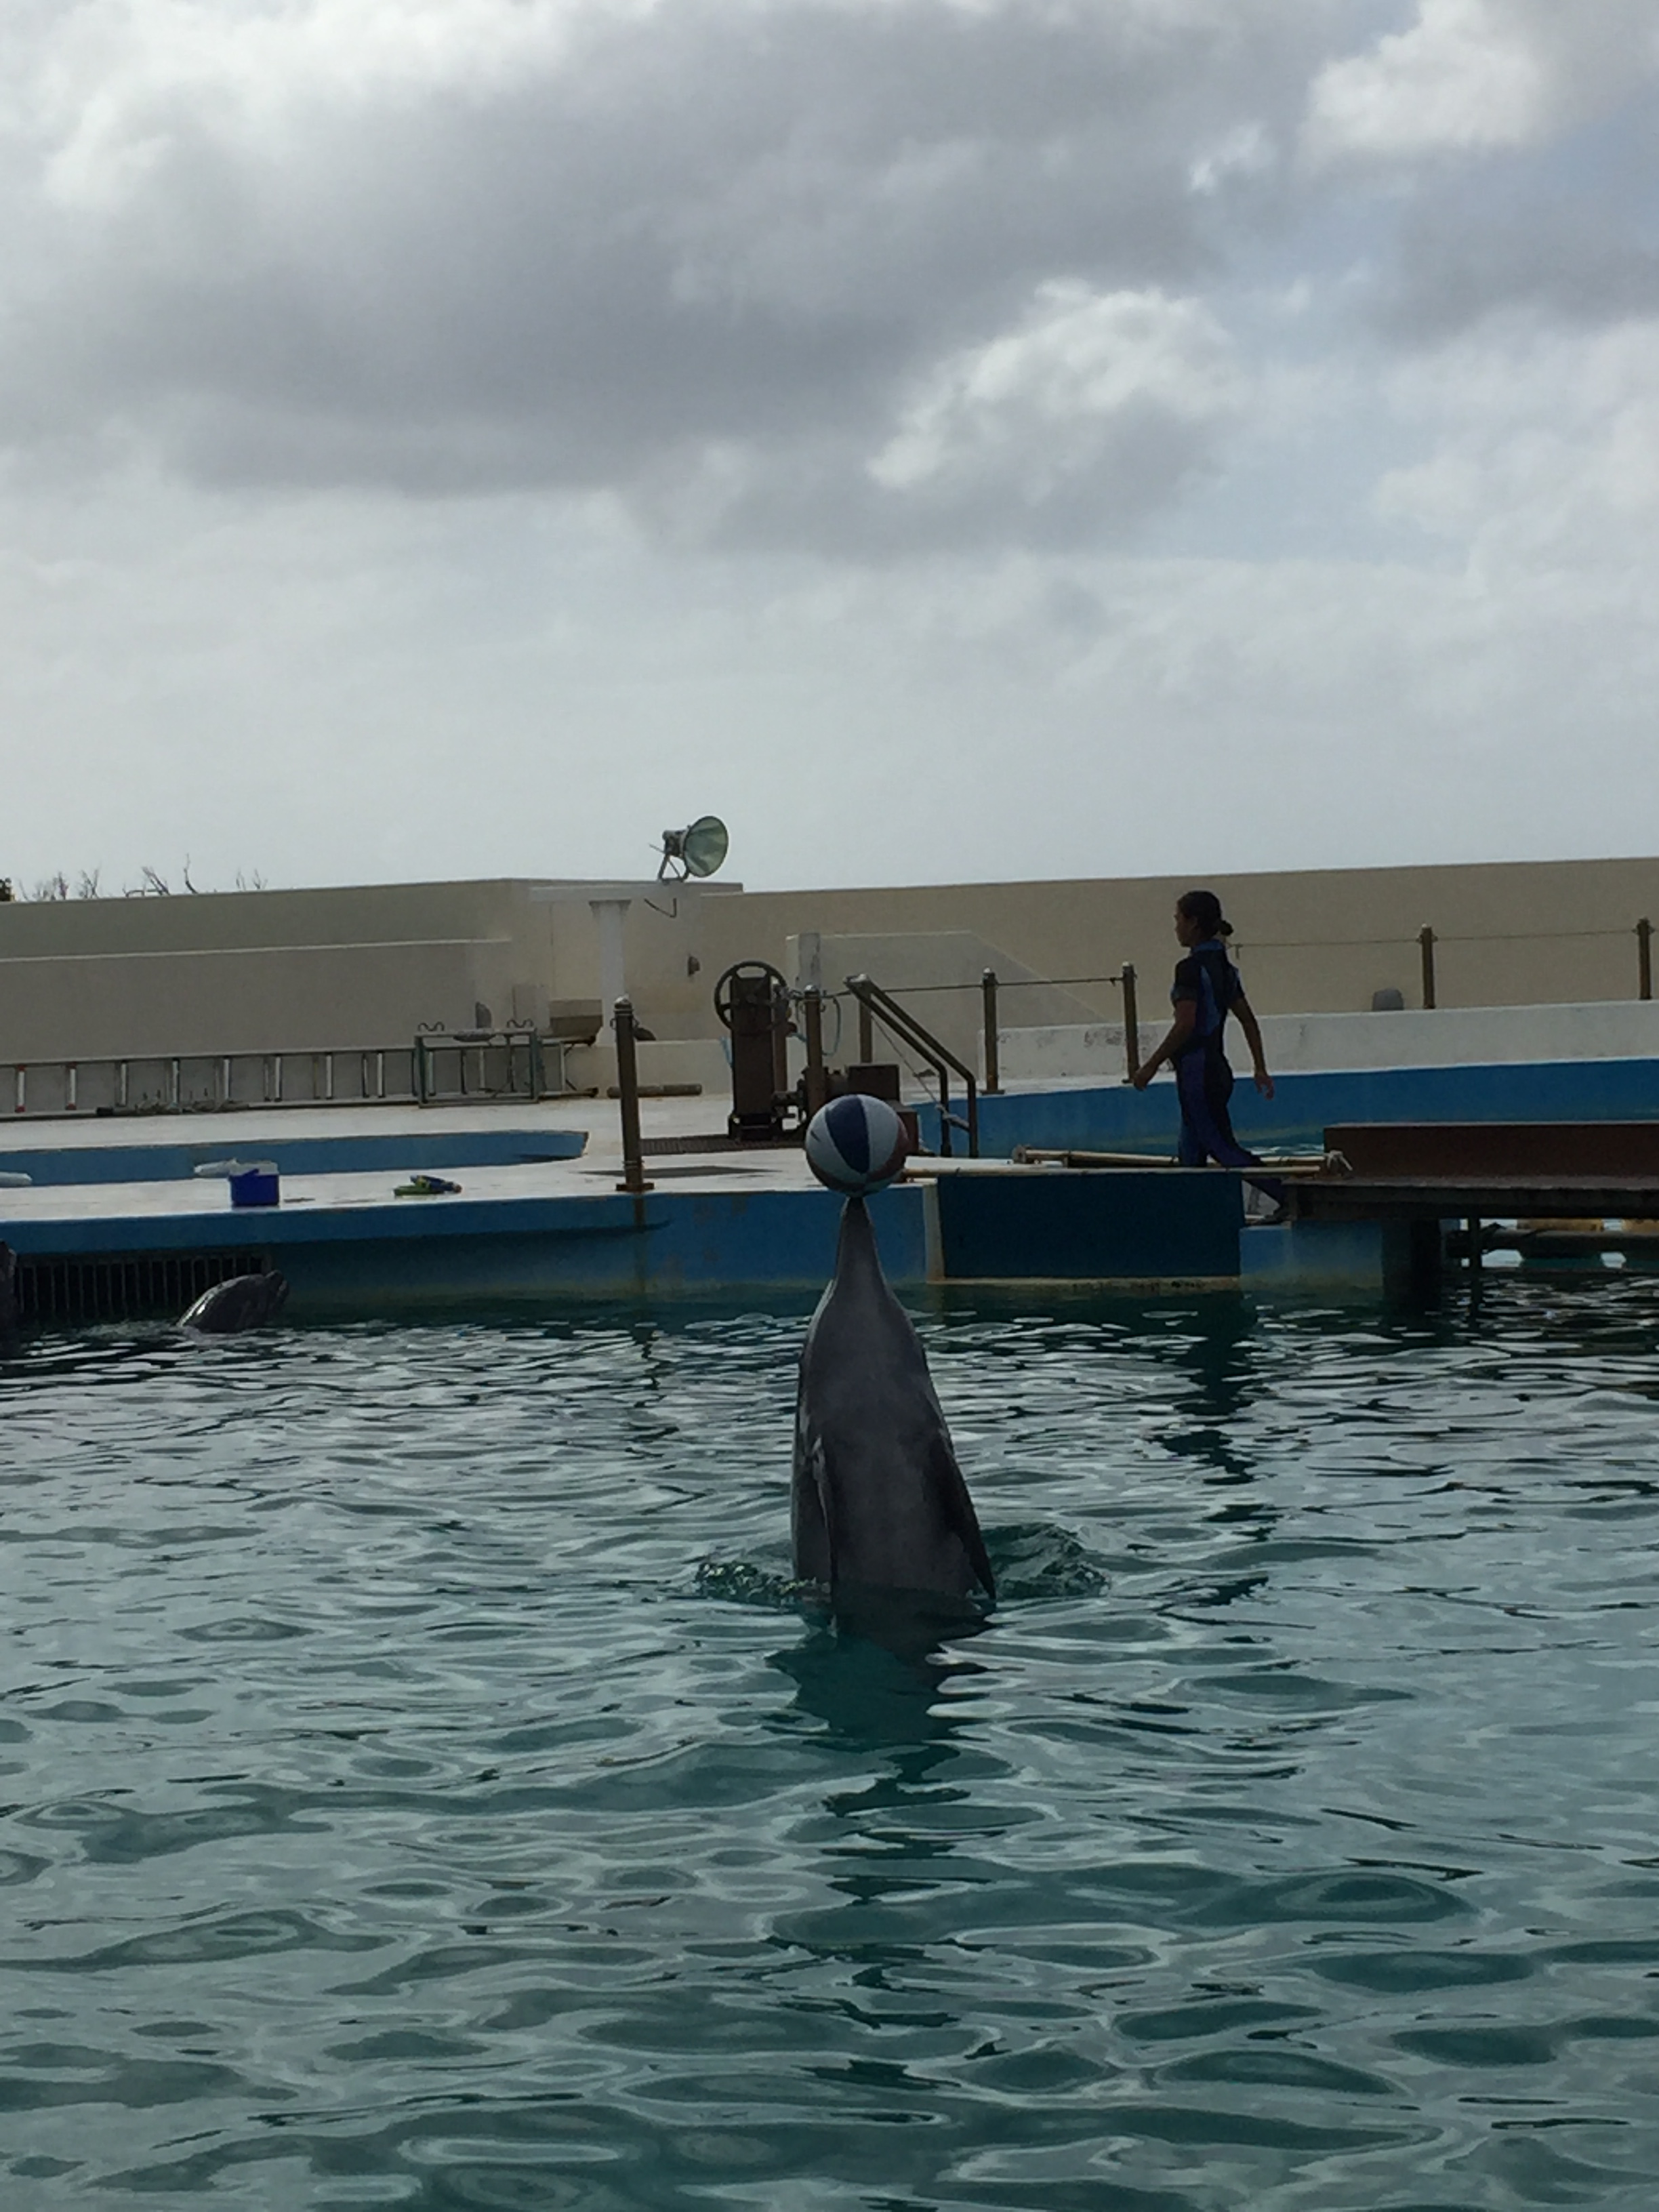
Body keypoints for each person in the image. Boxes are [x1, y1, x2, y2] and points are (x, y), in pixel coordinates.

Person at [1132, 890, 1275, 1172]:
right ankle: (1191, 1199)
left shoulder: (1190, 969)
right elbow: (1248, 1020)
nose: (1176, 927)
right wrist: (1259, 1067)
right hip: (1217, 1068)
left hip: (1198, 1072)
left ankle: (1283, 1189)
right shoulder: (1226, 969)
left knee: (1219, 1145)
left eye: (1178, 920)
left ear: (1193, 922)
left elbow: (1186, 1023)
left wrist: (1150, 1066)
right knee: (1191, 1150)